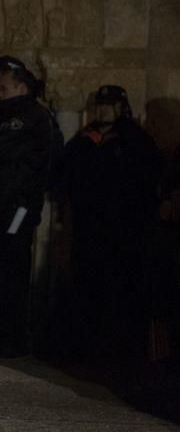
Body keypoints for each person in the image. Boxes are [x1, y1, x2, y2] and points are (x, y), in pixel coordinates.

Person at [62, 86, 162, 366]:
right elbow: (67, 171)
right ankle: (85, 347)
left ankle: (117, 351)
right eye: (99, 104)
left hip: (122, 229)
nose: (102, 110)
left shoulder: (134, 140)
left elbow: (145, 179)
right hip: (88, 227)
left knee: (119, 288)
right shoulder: (84, 138)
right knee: (87, 284)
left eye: (109, 105)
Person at [0, 57, 57, 359]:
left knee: (10, 267)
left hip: (16, 208)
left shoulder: (34, 117)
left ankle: (13, 338)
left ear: (20, 86)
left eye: (4, 86)